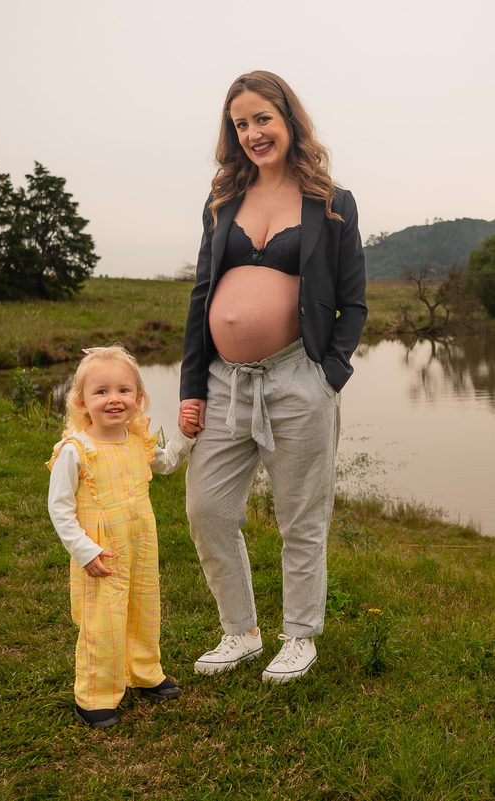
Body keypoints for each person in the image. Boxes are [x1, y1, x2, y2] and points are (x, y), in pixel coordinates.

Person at [178, 70, 367, 684]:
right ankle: (241, 632)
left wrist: (329, 374)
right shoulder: (222, 202)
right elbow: (202, 294)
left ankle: (300, 636)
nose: (254, 132)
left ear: (288, 119)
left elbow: (353, 302)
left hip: (297, 378)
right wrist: (190, 388)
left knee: (301, 517)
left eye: (263, 118)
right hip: (224, 380)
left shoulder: (332, 202)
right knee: (207, 507)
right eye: (241, 124)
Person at [47, 345, 197, 728]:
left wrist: (184, 435)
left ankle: (144, 672)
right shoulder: (76, 450)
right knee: (104, 622)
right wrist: (84, 550)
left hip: (141, 542)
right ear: (81, 402)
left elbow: (165, 462)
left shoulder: (136, 440)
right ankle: (94, 697)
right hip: (101, 551)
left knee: (144, 609)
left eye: (123, 390)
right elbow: (59, 509)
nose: (114, 399)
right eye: (101, 392)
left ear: (138, 398)